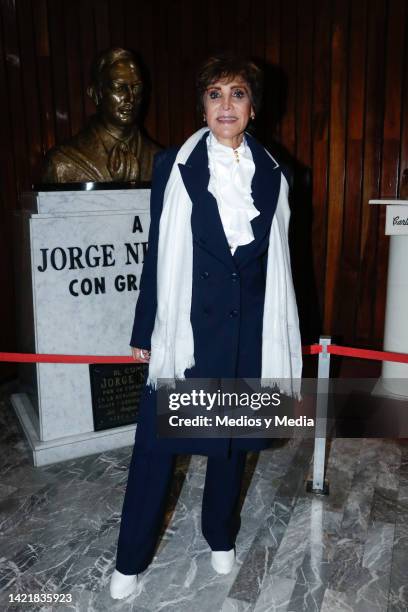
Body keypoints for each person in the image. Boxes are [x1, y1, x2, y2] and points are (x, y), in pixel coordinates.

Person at [109, 54, 302, 600]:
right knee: (156, 451)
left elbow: (279, 265)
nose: (225, 105)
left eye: (237, 94)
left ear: (253, 107)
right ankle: (129, 559)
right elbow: (156, 255)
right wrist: (144, 330)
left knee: (230, 447)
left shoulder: (276, 174)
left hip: (245, 332)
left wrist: (280, 339)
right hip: (187, 332)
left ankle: (220, 535)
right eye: (215, 94)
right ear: (202, 104)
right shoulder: (173, 165)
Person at [43, 48, 160, 183]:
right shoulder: (62, 163)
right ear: (96, 94)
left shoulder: (161, 160)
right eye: (118, 88)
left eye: (136, 88)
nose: (130, 98)